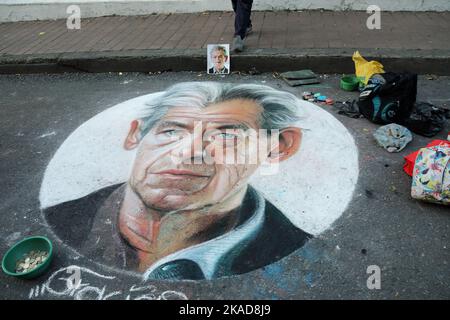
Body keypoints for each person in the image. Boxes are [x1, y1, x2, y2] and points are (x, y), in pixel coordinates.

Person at [44, 82, 312, 280]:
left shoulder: (298, 256)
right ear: (136, 135)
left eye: (227, 136)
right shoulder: (62, 219)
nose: (188, 151)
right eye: (171, 131)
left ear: (278, 147)